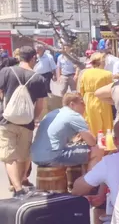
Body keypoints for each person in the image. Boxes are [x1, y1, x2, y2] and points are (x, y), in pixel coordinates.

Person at [0, 45, 47, 195]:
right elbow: (40, 105)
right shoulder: (38, 78)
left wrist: (5, 104)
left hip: (6, 120)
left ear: (19, 57)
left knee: (9, 156)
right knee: (23, 156)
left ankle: (17, 188)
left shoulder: (6, 72)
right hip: (27, 123)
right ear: (33, 58)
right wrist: (33, 118)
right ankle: (19, 183)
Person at [31, 91, 99, 168]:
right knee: (96, 150)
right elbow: (92, 142)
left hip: (35, 157)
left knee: (75, 150)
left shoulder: (51, 113)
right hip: (53, 157)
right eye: (82, 103)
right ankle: (88, 179)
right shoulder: (74, 115)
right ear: (72, 104)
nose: (85, 106)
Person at [78, 52, 113, 135]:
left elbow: (81, 90)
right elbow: (110, 90)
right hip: (103, 101)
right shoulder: (107, 74)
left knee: (91, 122)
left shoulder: (85, 73)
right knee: (105, 123)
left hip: (88, 100)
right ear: (100, 62)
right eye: (104, 61)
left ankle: (93, 141)